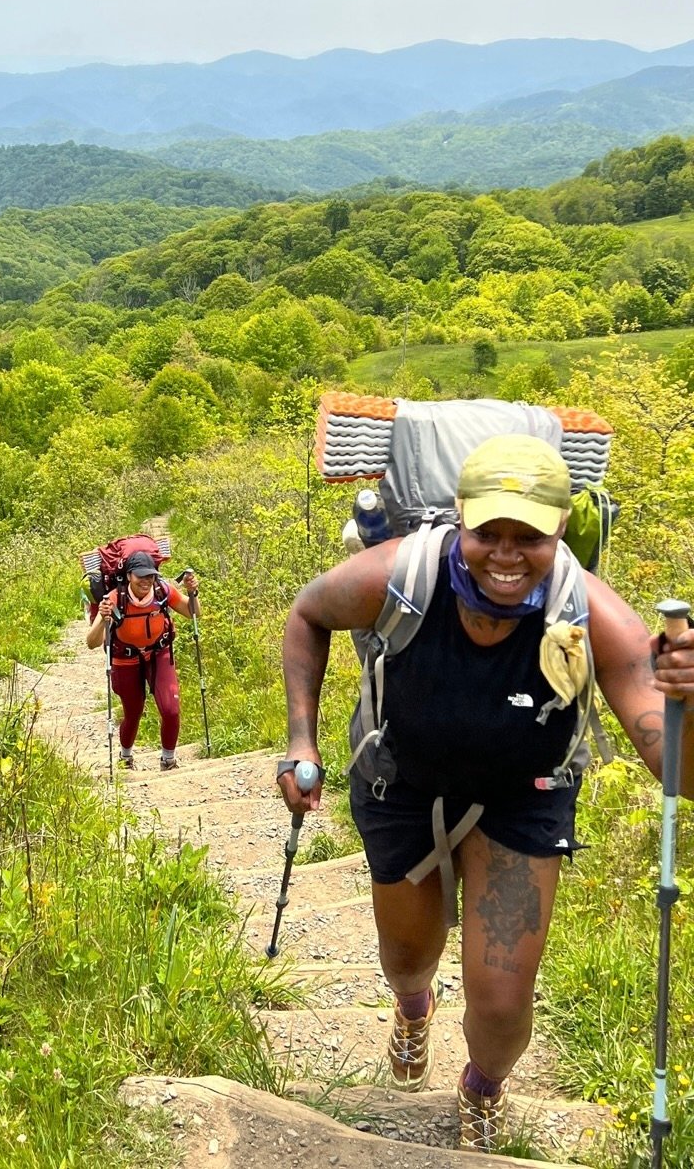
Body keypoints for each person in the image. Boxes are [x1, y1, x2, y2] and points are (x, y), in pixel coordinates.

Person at [277, 434, 694, 1153]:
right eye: (488, 534)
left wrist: (688, 697)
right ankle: (412, 1008)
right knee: (406, 954)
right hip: (401, 784)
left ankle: (483, 1086)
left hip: (520, 799)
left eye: (528, 535)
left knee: (501, 1005)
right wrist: (301, 740)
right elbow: (308, 616)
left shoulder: (592, 611)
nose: (506, 554)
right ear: (459, 522)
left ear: (561, 528)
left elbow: (680, 772)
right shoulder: (399, 576)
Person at [86, 551, 199, 771]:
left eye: (150, 576)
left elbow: (192, 612)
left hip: (159, 653)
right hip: (124, 660)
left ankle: (168, 760)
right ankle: (126, 756)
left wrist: (193, 593)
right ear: (129, 576)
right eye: (141, 576)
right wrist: (103, 618)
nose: (146, 581)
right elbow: (91, 642)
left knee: (171, 709)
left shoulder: (162, 591)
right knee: (133, 711)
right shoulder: (114, 599)